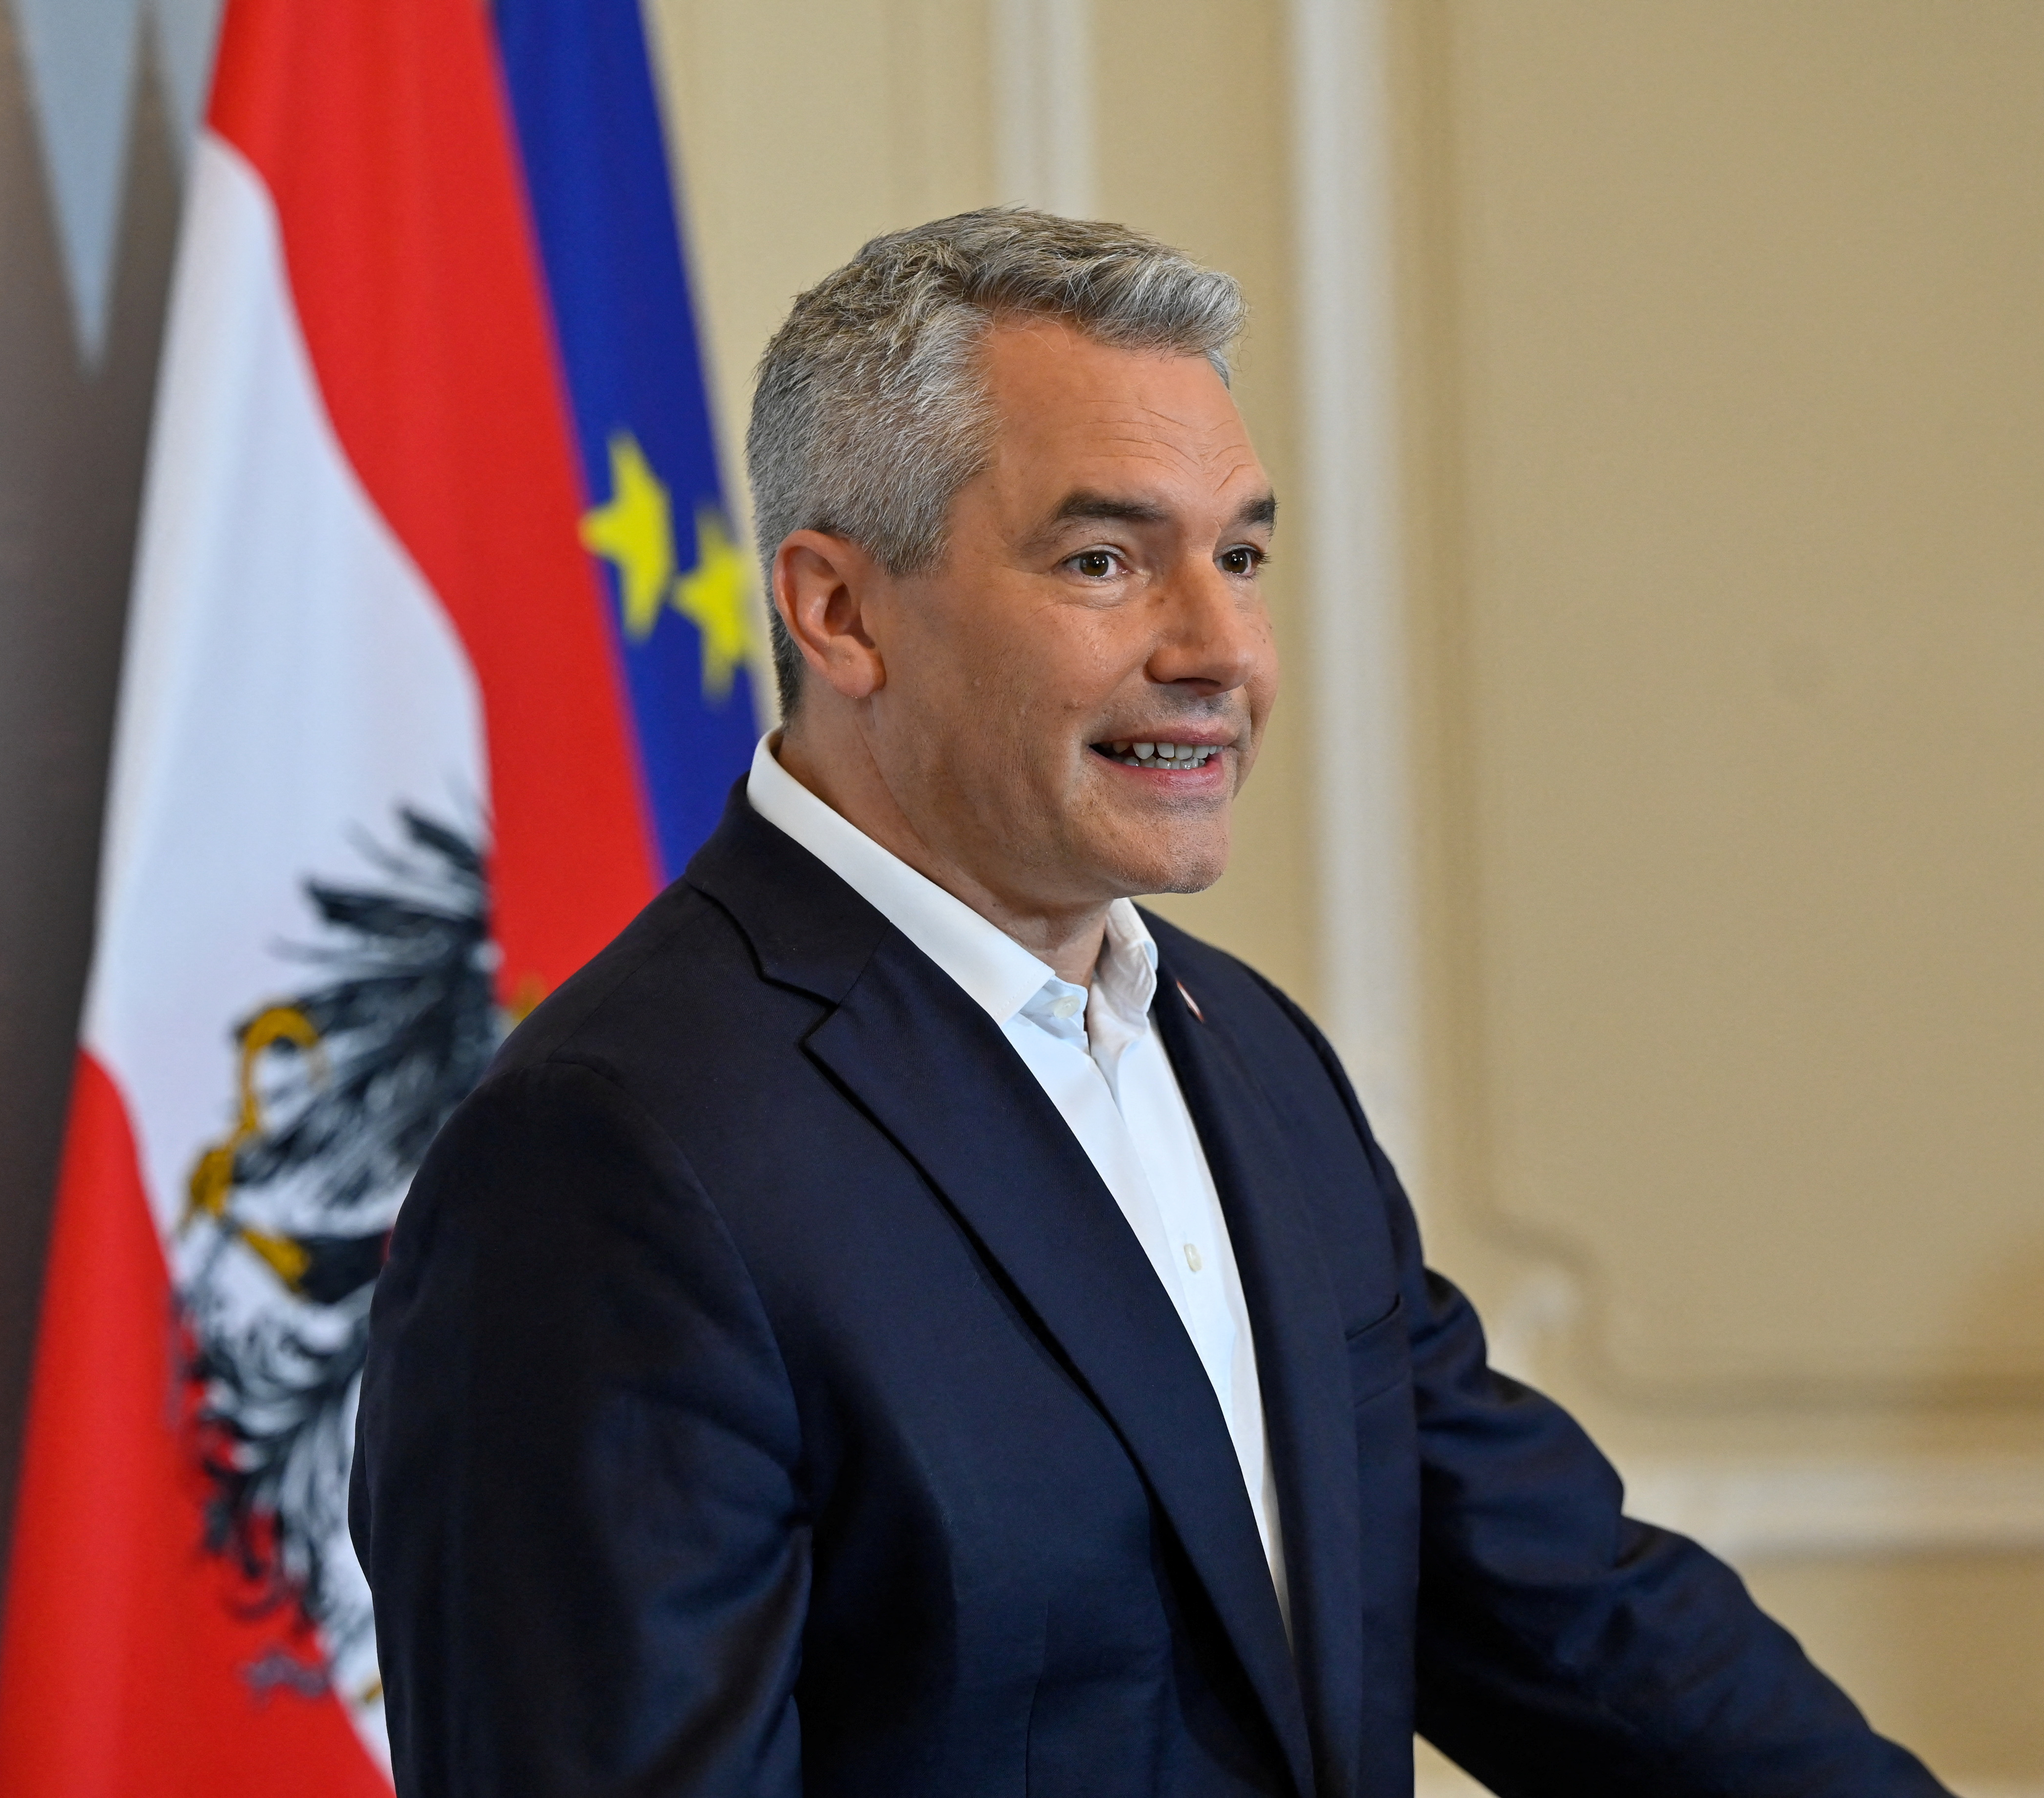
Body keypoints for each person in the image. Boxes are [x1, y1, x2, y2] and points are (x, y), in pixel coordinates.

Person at [353, 209, 1950, 1798]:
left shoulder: (1246, 1049)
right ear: (837, 612)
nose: (1221, 648)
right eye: (1104, 559)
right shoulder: (611, 1155)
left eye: (1240, 555)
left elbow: (1573, 1622)